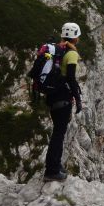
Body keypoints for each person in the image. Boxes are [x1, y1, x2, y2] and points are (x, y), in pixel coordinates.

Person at [44, 22, 83, 182]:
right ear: (76, 37)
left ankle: (55, 165)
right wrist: (78, 98)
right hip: (63, 98)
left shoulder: (58, 50)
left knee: (58, 132)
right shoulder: (71, 54)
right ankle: (52, 170)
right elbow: (71, 77)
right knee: (59, 135)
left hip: (53, 96)